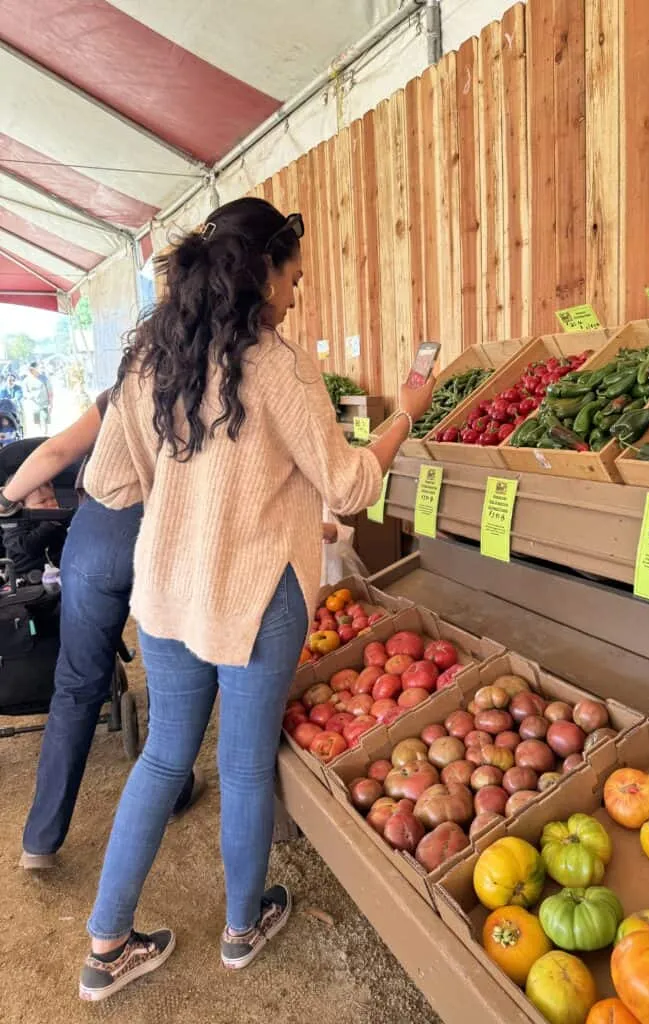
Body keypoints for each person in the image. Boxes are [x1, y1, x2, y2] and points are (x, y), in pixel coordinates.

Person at [77, 196, 434, 1002]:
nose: (296, 296)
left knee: (164, 757)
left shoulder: (149, 361)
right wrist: (406, 413)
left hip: (167, 598)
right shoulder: (278, 364)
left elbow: (109, 479)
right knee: (241, 766)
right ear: (262, 274)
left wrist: (187, 492)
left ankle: (106, 947)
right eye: (294, 278)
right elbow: (347, 483)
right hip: (257, 601)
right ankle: (242, 929)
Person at [0, 395, 205, 872]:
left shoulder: (128, 383)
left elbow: (56, 453)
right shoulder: (215, 379)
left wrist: (8, 499)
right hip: (162, 539)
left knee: (75, 687)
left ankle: (41, 839)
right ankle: (173, 789)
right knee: (165, 673)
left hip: (95, 537)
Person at [0, 477, 67, 575]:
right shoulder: (14, 526)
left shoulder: (57, 521)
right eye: (42, 502)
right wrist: (48, 525)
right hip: (24, 581)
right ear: (21, 507)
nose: (51, 504)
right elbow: (28, 547)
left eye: (53, 498)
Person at [24, 362, 53, 435]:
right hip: (34, 404)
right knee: (37, 422)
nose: (31, 371)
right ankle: (40, 434)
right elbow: (25, 392)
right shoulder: (27, 380)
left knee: (45, 420)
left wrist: (51, 403)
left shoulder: (44, 378)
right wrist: (29, 396)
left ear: (36, 369)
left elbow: (50, 391)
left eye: (32, 370)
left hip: (44, 403)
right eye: (30, 370)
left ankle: (45, 434)